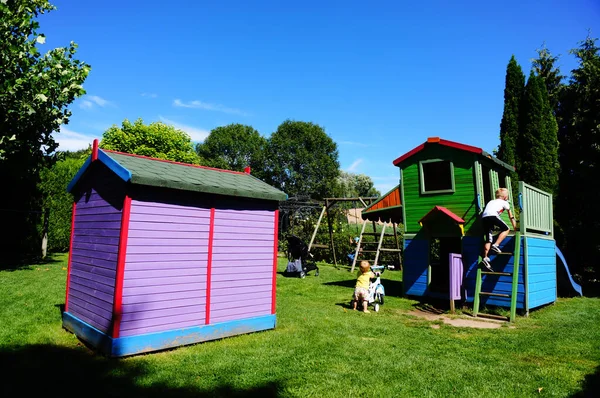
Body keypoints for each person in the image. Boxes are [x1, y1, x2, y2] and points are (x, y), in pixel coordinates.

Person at [481, 187, 517, 271]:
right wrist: (515, 228)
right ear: (505, 197)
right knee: (506, 229)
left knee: (488, 238)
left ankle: (485, 258)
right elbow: (511, 217)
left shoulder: (491, 201)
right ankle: (496, 245)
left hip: (484, 218)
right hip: (493, 216)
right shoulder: (505, 203)